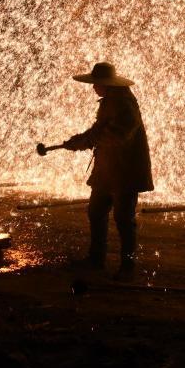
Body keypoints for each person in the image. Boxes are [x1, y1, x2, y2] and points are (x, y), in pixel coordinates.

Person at [60, 61, 153, 281]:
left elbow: (118, 134)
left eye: (95, 84)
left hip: (125, 172)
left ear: (106, 84)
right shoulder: (110, 101)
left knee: (123, 219)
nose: (93, 87)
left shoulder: (125, 104)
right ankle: (96, 259)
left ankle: (128, 265)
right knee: (96, 211)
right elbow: (99, 129)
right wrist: (79, 140)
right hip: (108, 170)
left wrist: (88, 140)